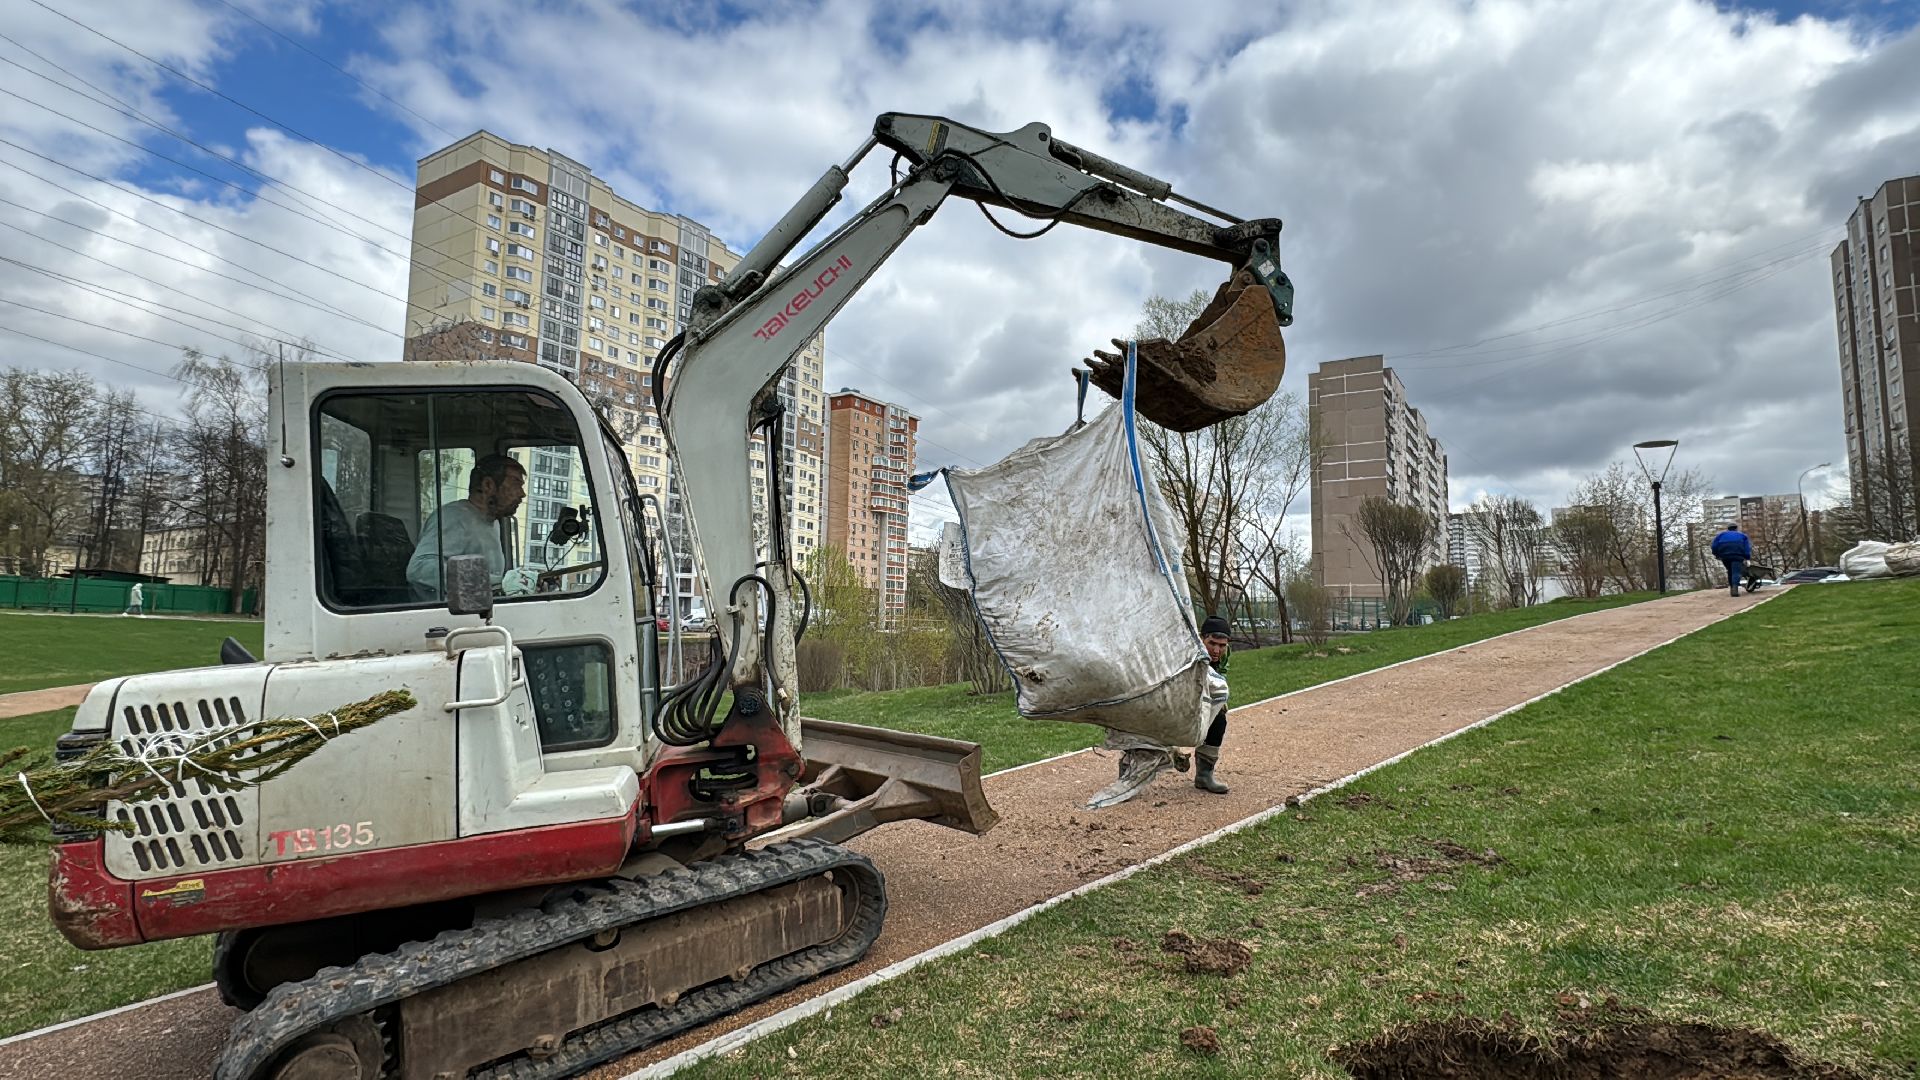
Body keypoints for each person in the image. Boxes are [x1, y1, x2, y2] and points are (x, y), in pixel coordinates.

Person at [1088, 614, 1234, 808]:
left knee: (1219, 719)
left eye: (1222, 646)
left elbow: (1217, 678)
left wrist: (1217, 701)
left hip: (1193, 701)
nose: (1217, 650)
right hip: (1165, 698)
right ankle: (1128, 774)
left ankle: (1204, 775)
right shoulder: (1185, 651)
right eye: (1212, 643)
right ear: (1201, 638)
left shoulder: (1223, 656)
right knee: (1141, 722)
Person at [407, 454, 527, 601]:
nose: (522, 494)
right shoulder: (455, 517)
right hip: (445, 616)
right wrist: (495, 583)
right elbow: (419, 569)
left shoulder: (492, 522)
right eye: (515, 484)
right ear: (488, 485)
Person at [1710, 522, 1752, 598]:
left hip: (1725, 556)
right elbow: (1747, 548)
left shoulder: (1721, 535)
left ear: (1728, 529)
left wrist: (1716, 554)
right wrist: (1747, 558)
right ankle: (1734, 589)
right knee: (1736, 572)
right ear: (1736, 528)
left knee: (1730, 571)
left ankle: (1732, 588)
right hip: (1737, 556)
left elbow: (1714, 546)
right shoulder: (1742, 536)